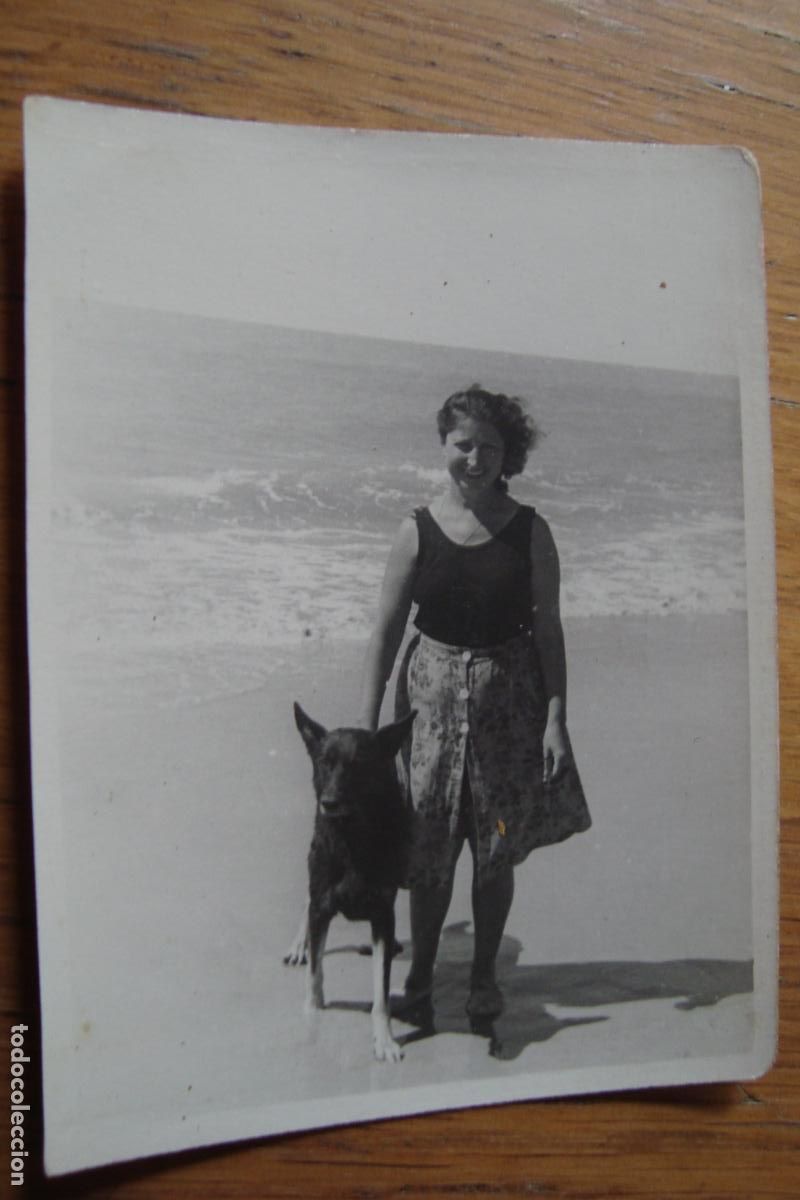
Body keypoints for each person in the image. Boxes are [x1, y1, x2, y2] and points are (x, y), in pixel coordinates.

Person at [358, 384, 591, 1020]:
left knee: (495, 847)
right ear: (443, 445)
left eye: (490, 447)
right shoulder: (415, 531)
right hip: (426, 715)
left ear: (507, 454)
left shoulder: (531, 532)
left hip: (508, 713)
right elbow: (384, 631)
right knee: (428, 847)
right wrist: (369, 727)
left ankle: (484, 976)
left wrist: (556, 721)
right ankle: (423, 976)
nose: (475, 458)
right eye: (464, 445)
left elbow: (549, 630)